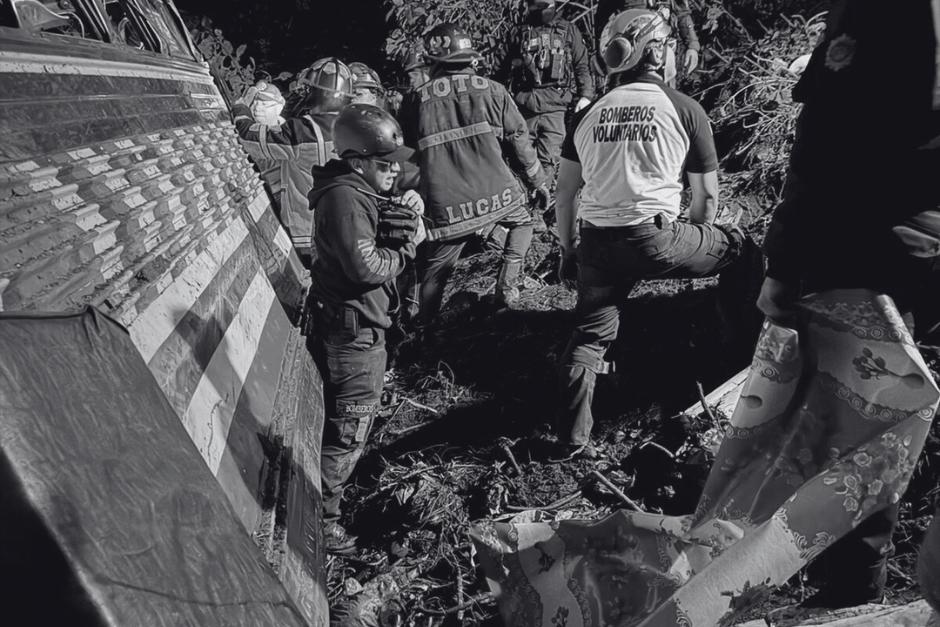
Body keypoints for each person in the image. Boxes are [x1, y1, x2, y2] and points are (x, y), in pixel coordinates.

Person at [757, 0, 940, 608]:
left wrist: (782, 264)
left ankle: (853, 597)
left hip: (881, 243)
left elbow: (826, 141)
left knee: (865, 426)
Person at [554, 9, 761, 459]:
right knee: (743, 251)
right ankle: (736, 351)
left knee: (589, 336)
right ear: (658, 50)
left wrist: (569, 248)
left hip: (596, 242)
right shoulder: (684, 109)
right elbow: (705, 200)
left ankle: (572, 438)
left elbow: (565, 195)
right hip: (656, 239)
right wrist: (698, 243)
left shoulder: (588, 116)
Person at [306, 103, 425, 553]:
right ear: (357, 163)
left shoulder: (356, 190)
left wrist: (399, 209)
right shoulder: (344, 197)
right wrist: (406, 248)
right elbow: (364, 267)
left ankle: (326, 508)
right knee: (348, 432)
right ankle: (322, 524)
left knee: (348, 426)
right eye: (384, 164)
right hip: (354, 336)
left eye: (395, 162)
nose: (394, 171)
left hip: (360, 328)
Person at [398, 23, 550, 318]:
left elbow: (406, 155)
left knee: (436, 272)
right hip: (499, 196)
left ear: (432, 62)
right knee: (524, 224)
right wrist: (538, 182)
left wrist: (410, 197)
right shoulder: (493, 90)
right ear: (470, 58)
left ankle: (424, 330)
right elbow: (519, 141)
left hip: (446, 207)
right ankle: (506, 289)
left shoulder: (415, 100)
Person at [233, 57, 353, 266]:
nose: (304, 93)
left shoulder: (304, 130)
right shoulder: (353, 127)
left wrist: (241, 108)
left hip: (307, 235)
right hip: (344, 230)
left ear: (318, 93)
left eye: (309, 89)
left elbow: (249, 137)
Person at [507, 0, 595, 192]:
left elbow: (581, 65)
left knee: (548, 158)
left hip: (556, 106)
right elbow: (502, 67)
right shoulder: (519, 32)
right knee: (521, 158)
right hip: (525, 105)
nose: (538, 11)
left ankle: (540, 206)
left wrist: (585, 95)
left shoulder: (569, 31)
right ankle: (525, 203)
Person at [596, 0, 701, 87]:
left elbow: (682, 13)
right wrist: (601, 56)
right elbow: (603, 21)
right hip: (628, 59)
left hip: (661, 55)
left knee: (665, 99)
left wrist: (692, 45)